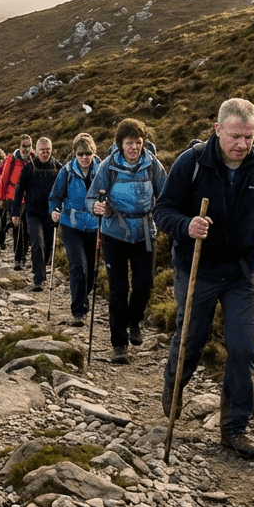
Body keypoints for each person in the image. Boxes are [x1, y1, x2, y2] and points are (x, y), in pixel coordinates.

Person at [154, 98, 254, 460]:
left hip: (243, 272)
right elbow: (162, 211)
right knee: (191, 339)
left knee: (244, 349)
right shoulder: (192, 163)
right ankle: (174, 384)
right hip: (197, 267)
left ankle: (234, 429)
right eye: (235, 136)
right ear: (218, 130)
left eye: (249, 137)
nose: (243, 145)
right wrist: (186, 225)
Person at [88, 119, 167, 365]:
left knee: (145, 284)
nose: (134, 147)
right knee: (119, 289)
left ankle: (135, 320)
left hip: (145, 232)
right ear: (120, 144)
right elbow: (92, 197)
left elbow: (165, 195)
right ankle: (119, 345)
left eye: (138, 142)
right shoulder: (107, 166)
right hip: (114, 234)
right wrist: (97, 207)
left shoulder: (152, 165)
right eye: (129, 143)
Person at [49, 134, 101, 327]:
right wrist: (54, 210)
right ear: (75, 154)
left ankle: (82, 298)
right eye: (81, 154)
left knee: (89, 271)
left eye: (88, 153)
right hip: (70, 225)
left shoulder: (102, 170)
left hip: (94, 225)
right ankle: (78, 311)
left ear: (93, 152)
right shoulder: (67, 171)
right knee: (78, 266)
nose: (84, 157)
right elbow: (55, 197)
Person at [11, 137, 62, 290]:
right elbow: (19, 190)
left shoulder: (57, 167)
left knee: (48, 246)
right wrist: (15, 213)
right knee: (37, 243)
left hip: (50, 213)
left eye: (48, 150)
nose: (45, 153)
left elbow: (64, 189)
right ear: (37, 150)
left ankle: (39, 267)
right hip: (32, 212)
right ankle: (38, 279)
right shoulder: (29, 167)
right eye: (42, 150)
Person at [0, 135, 34, 269]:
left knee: (27, 230)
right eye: (24, 146)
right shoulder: (12, 159)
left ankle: (24, 255)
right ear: (20, 146)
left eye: (29, 146)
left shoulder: (34, 159)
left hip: (30, 199)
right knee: (17, 228)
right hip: (14, 198)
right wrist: (0, 197)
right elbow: (4, 178)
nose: (26, 148)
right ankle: (18, 258)